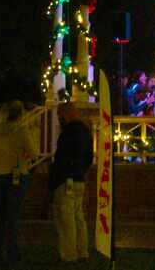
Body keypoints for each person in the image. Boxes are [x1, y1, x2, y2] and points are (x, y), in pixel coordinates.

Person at [0, 100, 38, 266]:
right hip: (16, 176)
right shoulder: (22, 131)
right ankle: (12, 252)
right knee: (12, 217)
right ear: (21, 113)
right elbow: (33, 153)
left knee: (1, 215)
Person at [49, 103, 94, 263]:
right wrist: (81, 171)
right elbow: (89, 157)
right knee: (78, 217)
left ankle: (69, 254)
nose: (59, 119)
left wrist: (57, 174)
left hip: (66, 179)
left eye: (59, 116)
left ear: (65, 115)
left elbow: (62, 157)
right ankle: (82, 251)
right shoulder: (86, 131)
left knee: (66, 218)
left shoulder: (68, 133)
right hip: (79, 178)